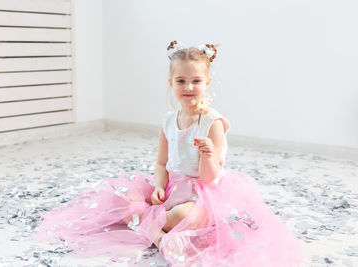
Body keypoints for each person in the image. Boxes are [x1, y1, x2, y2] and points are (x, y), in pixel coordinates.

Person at [37, 40, 304, 267]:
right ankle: (160, 238)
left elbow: (210, 179)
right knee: (122, 198)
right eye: (181, 81)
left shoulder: (213, 122)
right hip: (173, 187)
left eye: (196, 81)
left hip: (202, 194)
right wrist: (158, 187)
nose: (189, 87)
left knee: (180, 216)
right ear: (171, 82)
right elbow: (161, 162)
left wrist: (209, 155)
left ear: (207, 82)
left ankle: (155, 229)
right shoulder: (168, 121)